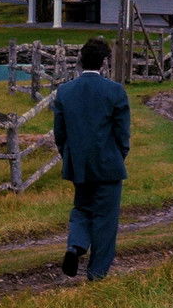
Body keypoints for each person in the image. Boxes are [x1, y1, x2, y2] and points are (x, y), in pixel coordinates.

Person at [52, 37, 130, 281]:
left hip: (79, 164)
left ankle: (75, 246)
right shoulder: (115, 91)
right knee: (106, 220)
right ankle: (97, 273)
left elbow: (60, 133)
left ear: (80, 60)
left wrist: (70, 157)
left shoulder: (65, 91)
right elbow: (122, 133)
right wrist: (119, 156)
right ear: (104, 63)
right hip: (108, 164)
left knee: (82, 208)